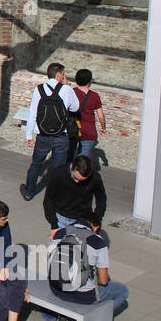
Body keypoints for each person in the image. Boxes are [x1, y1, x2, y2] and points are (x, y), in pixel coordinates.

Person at [19, 62, 81, 202]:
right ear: (58, 74)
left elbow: (33, 113)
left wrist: (29, 135)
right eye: (63, 74)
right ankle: (54, 195)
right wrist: (68, 87)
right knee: (58, 167)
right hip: (61, 135)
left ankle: (28, 192)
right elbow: (75, 108)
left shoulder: (38, 89)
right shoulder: (66, 89)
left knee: (36, 164)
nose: (64, 77)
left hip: (43, 135)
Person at [48, 217, 129, 315]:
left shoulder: (60, 233)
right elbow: (103, 281)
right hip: (83, 296)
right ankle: (98, 318)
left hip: (56, 289)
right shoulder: (98, 242)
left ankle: (50, 316)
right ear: (95, 228)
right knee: (123, 290)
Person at [43, 154, 108, 233]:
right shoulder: (59, 173)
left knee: (80, 245)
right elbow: (48, 199)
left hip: (83, 219)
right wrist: (54, 225)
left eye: (83, 180)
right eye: (76, 177)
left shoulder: (95, 178)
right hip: (60, 218)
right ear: (71, 167)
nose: (78, 182)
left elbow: (101, 198)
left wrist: (96, 219)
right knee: (59, 245)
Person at [71, 68, 106, 162]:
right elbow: (101, 115)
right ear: (89, 81)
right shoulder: (94, 96)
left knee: (69, 157)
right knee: (82, 160)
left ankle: (67, 174)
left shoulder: (71, 92)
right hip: (88, 130)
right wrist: (103, 127)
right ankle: (80, 175)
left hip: (72, 128)